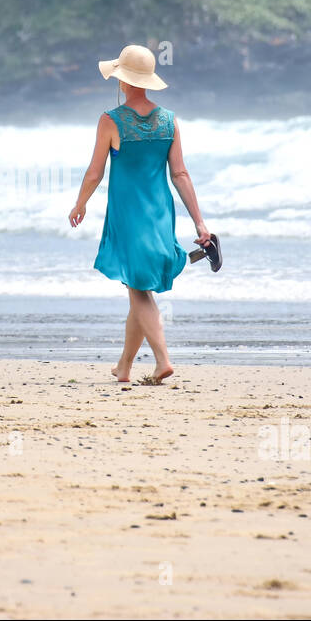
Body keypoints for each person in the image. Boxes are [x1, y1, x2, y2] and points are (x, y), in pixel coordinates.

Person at [68, 44, 211, 385]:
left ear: (122, 80)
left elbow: (94, 172)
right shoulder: (169, 120)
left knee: (138, 289)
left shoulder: (110, 120)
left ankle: (163, 360)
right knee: (138, 286)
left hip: (129, 214)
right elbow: (180, 175)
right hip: (161, 214)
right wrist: (200, 222)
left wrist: (80, 203)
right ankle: (125, 367)